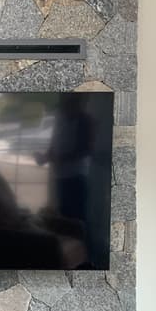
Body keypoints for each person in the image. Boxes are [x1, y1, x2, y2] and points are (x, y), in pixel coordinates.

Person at [34, 94, 94, 222]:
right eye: (63, 106)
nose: (64, 109)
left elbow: (85, 151)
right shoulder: (60, 119)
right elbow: (54, 145)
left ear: (77, 104)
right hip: (60, 175)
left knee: (76, 217)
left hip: (76, 176)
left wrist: (59, 159)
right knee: (64, 214)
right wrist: (44, 158)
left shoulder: (85, 121)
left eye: (68, 105)